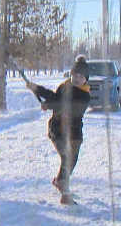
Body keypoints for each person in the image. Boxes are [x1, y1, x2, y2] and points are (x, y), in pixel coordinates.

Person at [26, 54, 92, 205]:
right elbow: (56, 98)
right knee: (68, 158)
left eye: (81, 76)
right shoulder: (64, 87)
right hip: (58, 130)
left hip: (74, 134)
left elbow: (65, 104)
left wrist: (49, 103)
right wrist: (38, 91)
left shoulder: (85, 95)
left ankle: (61, 184)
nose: (77, 78)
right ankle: (64, 190)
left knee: (70, 160)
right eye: (75, 74)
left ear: (86, 79)